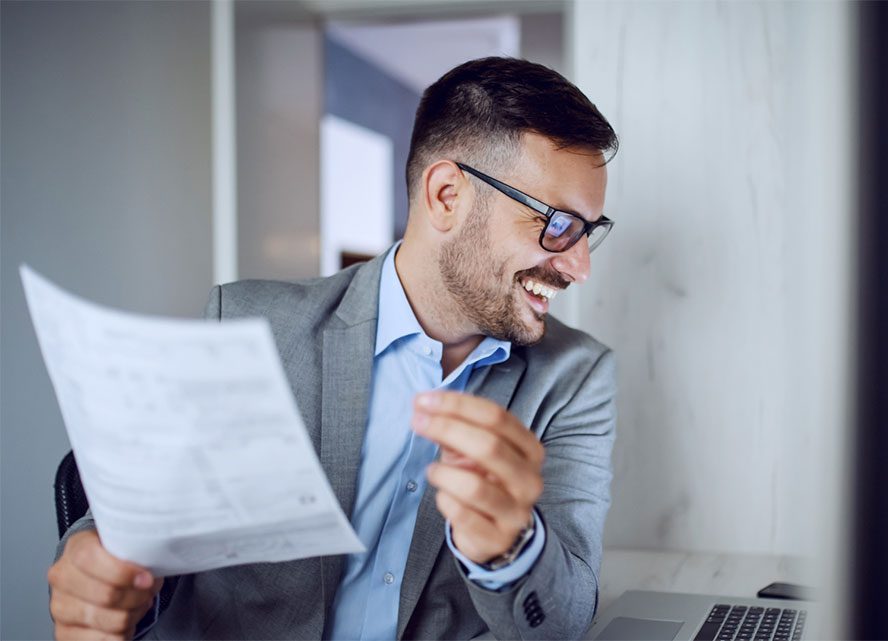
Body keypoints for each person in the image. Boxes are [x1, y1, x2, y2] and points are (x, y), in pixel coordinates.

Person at [47, 57, 619, 640]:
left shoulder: (575, 376)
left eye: (589, 231)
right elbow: (138, 537)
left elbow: (565, 622)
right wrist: (99, 577)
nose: (580, 265)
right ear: (447, 196)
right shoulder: (248, 326)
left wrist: (512, 549)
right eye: (558, 225)